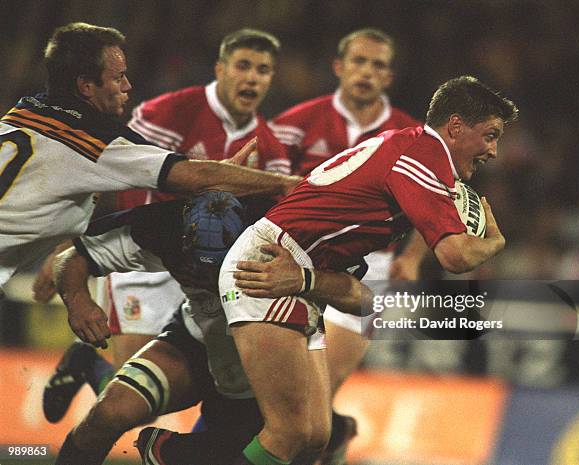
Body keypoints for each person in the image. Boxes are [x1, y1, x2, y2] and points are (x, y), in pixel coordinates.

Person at [219, 75, 518, 464]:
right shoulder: (423, 157)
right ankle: (178, 453)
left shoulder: (414, 145)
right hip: (272, 263)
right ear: (456, 126)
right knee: (289, 430)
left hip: (303, 272)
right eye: (491, 135)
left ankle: (179, 451)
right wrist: (495, 242)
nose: (493, 151)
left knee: (314, 433)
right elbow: (454, 257)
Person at [40, 27, 290, 425]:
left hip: (206, 276)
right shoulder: (169, 112)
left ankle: (199, 443)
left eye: (263, 70)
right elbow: (103, 177)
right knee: (127, 393)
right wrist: (65, 247)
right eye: (243, 66)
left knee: (196, 383)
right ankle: (87, 361)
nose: (253, 78)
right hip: (146, 258)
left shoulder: (271, 145)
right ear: (220, 69)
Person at [51, 192, 369, 465]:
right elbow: (74, 258)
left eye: (223, 269)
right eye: (201, 269)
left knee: (299, 441)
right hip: (196, 339)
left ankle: (177, 452)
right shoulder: (159, 228)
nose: (214, 278)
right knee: (109, 412)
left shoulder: (291, 236)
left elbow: (364, 300)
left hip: (268, 357)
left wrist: (307, 280)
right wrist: (77, 299)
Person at [0, 22, 298, 291]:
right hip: (145, 264)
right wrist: (284, 184)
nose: (128, 85)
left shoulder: (21, 113)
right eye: (118, 78)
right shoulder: (98, 142)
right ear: (87, 86)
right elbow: (191, 178)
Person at [269, 28, 423, 462]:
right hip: (297, 260)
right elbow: (265, 187)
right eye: (359, 61)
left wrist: (410, 258)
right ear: (340, 67)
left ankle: (329, 431)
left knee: (321, 390)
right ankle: (334, 432)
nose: (366, 72)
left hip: (371, 267)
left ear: (388, 77)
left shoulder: (412, 136)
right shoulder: (297, 123)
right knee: (289, 399)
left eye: (377, 65)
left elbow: (432, 208)